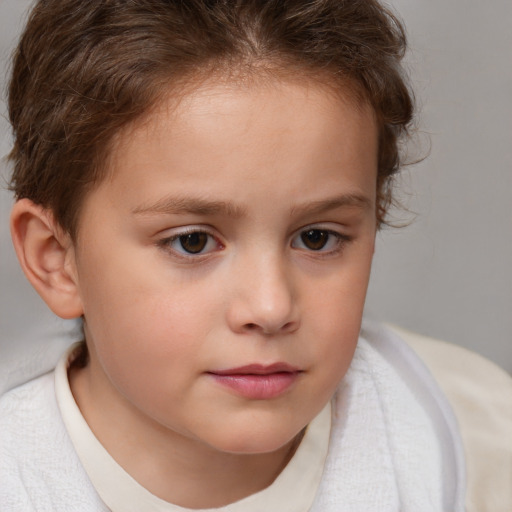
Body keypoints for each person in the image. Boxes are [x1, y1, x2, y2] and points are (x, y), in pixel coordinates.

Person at [0, 1, 508, 510]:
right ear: (56, 259)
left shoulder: (467, 437)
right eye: (192, 241)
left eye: (316, 238)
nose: (270, 308)